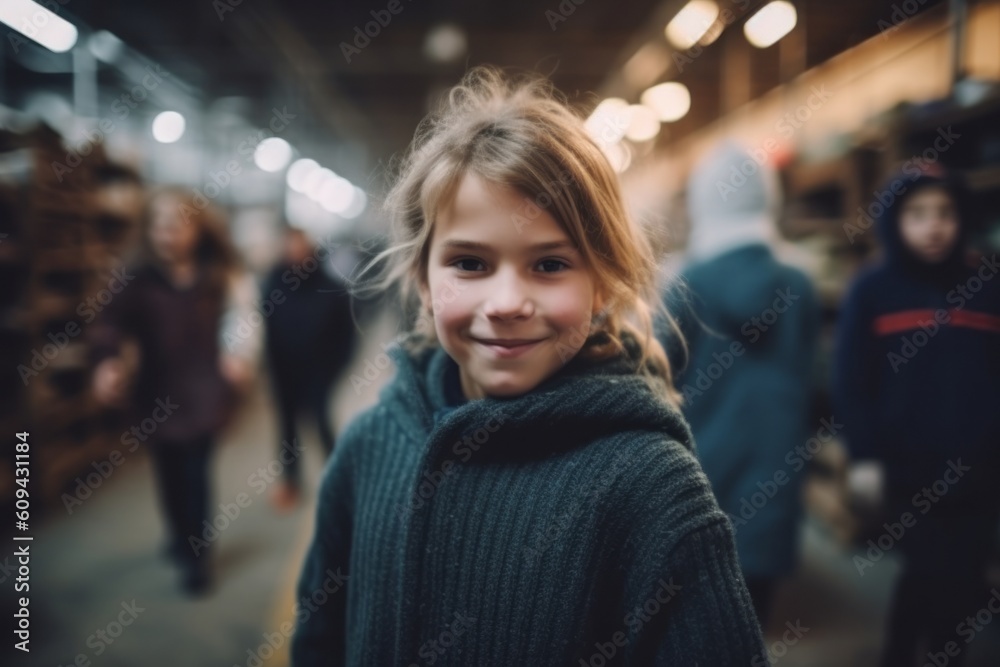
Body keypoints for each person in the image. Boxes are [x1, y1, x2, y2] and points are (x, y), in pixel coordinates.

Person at [291, 66, 764, 666]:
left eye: (548, 266)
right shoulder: (368, 448)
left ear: (601, 284)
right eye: (469, 263)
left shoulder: (650, 487)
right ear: (423, 279)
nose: (508, 303)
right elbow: (319, 635)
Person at [833, 166, 1000, 667]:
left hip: (979, 468)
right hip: (908, 471)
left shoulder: (988, 286)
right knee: (935, 574)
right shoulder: (872, 289)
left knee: (959, 576)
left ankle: (911, 653)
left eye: (946, 214)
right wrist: (863, 456)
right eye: (919, 214)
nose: (934, 227)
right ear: (895, 222)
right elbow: (850, 379)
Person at [660, 142, 820, 626]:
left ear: (704, 204)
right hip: (777, 465)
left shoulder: (686, 282)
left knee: (698, 620)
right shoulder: (800, 283)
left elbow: (659, 373)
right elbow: (813, 378)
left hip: (702, 464)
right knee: (754, 619)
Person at [91, 187, 260, 595]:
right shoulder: (136, 279)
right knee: (168, 474)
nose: (171, 233)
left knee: (197, 473)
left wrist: (238, 354)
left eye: (182, 223)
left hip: (205, 391)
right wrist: (107, 360)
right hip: (157, 394)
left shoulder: (217, 275)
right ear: (148, 230)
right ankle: (179, 532)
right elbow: (109, 323)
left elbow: (241, 318)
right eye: (161, 224)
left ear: (200, 229)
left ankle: (197, 557)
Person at [263, 226, 355, 511]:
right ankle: (291, 483)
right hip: (283, 371)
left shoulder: (330, 285)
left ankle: (336, 479)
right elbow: (264, 328)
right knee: (287, 429)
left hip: (319, 372)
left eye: (300, 246)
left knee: (322, 424)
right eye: (289, 246)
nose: (295, 253)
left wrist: (335, 369)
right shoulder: (272, 284)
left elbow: (347, 334)